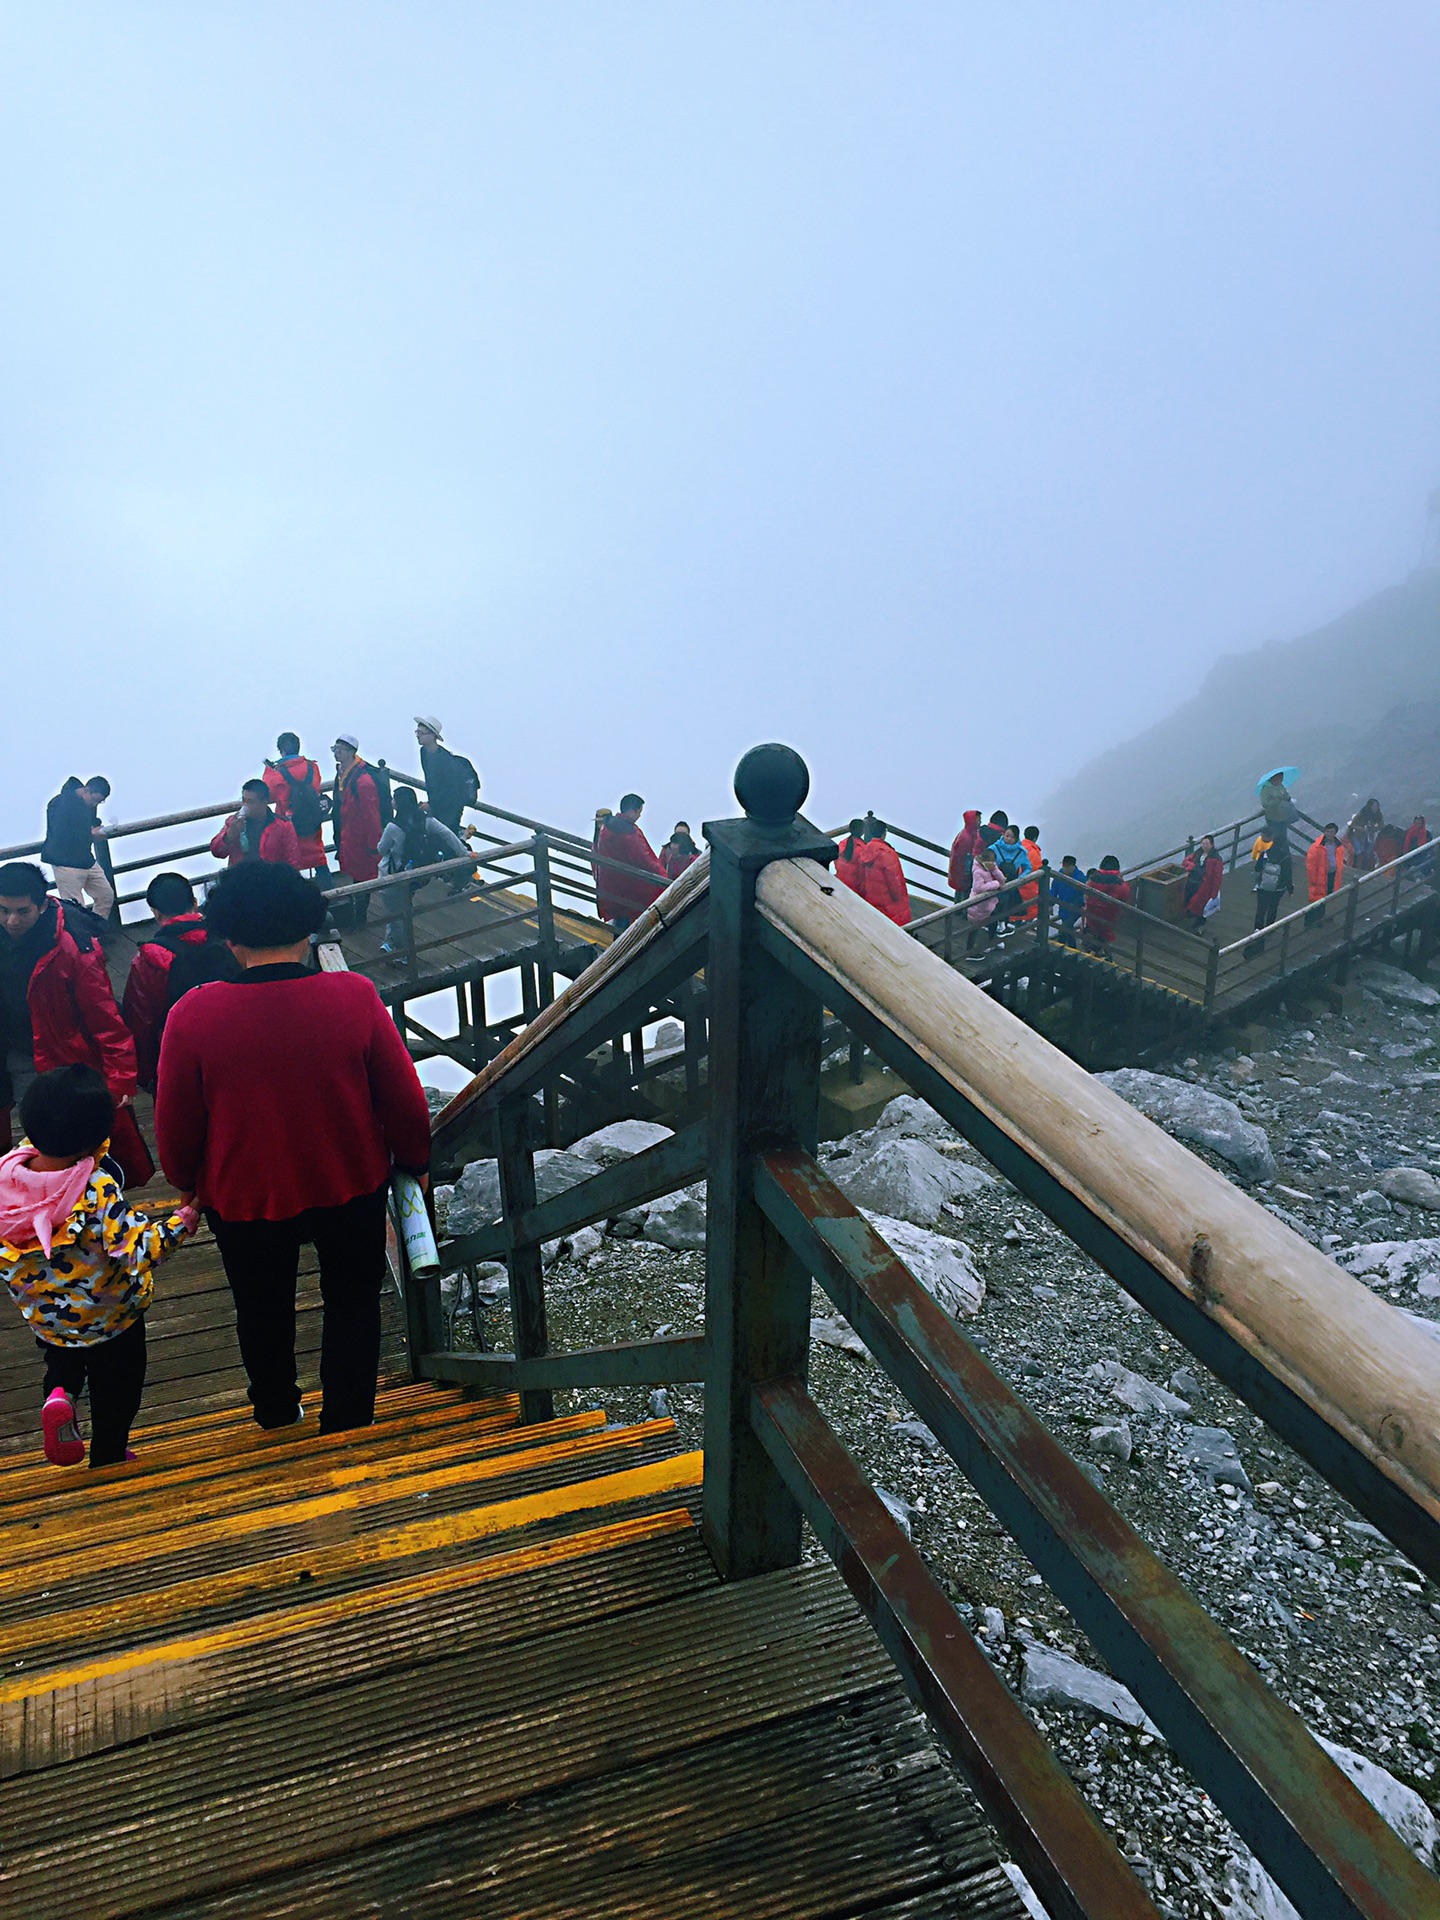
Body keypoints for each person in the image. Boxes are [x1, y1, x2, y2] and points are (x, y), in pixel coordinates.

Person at [155, 862, 432, 1432]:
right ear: (309, 929)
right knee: (353, 1302)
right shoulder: (354, 996)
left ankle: (277, 1411)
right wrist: (415, 1164)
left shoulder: (193, 1014)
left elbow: (176, 1120)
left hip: (243, 1192)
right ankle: (348, 1416)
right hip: (349, 1178)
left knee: (260, 1308)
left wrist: (187, 1181)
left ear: (227, 937)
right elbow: (403, 1099)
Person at [0, 1065, 195, 1467]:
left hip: (47, 1315)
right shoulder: (95, 1189)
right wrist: (182, 1222)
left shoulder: (8, 1175)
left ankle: (60, 1394)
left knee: (63, 1358)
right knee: (118, 1386)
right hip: (112, 1317)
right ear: (96, 1137)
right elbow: (138, 1248)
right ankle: (109, 1453)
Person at [0, 862, 149, 1184]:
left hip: (58, 1057)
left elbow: (104, 1017)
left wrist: (121, 1078)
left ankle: (75, 1204)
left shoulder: (73, 948)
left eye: (21, 912)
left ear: (41, 905)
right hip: (11, 1049)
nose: (11, 920)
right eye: (3, 910)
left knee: (57, 1137)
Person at [122, 873, 240, 1092]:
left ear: (156, 913)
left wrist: (148, 1074)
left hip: (183, 1058)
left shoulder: (150, 959)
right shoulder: (229, 941)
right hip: (236, 1048)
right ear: (195, 903)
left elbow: (141, 1022)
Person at [376, 786, 471, 952]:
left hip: (393, 875)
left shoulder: (393, 827)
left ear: (398, 804)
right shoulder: (425, 820)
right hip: (415, 873)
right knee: (401, 908)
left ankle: (403, 952)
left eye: (394, 799)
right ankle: (389, 943)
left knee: (396, 914)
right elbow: (448, 834)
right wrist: (465, 853)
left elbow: (381, 849)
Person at [42, 776, 115, 923]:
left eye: (99, 802)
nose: (95, 805)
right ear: (86, 790)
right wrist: (90, 835)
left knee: (106, 895)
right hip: (65, 862)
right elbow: (60, 835)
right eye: (95, 800)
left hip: (86, 859)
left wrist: (96, 826)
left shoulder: (88, 804)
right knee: (75, 909)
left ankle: (95, 933)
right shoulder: (59, 804)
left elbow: (87, 822)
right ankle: (82, 942)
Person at [593, 794, 668, 933]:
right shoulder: (629, 832)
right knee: (632, 924)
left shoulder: (605, 830)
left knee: (620, 923)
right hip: (631, 888)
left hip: (611, 886)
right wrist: (663, 877)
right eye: (639, 812)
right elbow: (645, 858)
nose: (639, 816)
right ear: (633, 811)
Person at [263, 734, 329, 873]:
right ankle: (331, 893)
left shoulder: (276, 774)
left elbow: (268, 794)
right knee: (318, 858)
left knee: (290, 861)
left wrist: (269, 771)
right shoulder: (312, 767)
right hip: (312, 821)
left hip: (289, 823)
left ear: (281, 750)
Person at [331, 735, 386, 898]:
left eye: (340, 750)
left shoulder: (363, 781)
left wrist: (374, 844)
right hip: (349, 835)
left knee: (363, 878)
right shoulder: (342, 773)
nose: (336, 753)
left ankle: (361, 915)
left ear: (351, 752)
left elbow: (372, 815)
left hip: (361, 838)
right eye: (335, 749)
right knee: (357, 874)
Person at [210, 781, 303, 868]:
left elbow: (293, 861)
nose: (245, 806)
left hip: (270, 879)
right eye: (243, 800)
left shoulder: (283, 826)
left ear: (264, 802)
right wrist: (229, 835)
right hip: (239, 879)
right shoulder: (233, 822)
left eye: (250, 802)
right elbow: (217, 852)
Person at [414, 717, 480, 835]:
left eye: (421, 733)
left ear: (433, 735)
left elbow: (449, 789)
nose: (418, 735)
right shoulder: (424, 752)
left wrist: (432, 805)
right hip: (438, 806)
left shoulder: (444, 761)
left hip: (450, 808)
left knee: (445, 838)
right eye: (417, 732)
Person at [857, 821, 911, 926]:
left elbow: (861, 876)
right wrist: (899, 898)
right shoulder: (888, 853)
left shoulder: (865, 850)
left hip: (871, 898)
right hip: (888, 903)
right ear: (884, 833)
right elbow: (895, 882)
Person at [1250, 832, 1293, 944]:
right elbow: (1288, 874)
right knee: (1273, 906)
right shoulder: (1286, 857)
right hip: (1278, 888)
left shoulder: (1265, 853)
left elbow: (1258, 867)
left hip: (1263, 886)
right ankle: (1269, 927)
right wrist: (1290, 888)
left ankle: (1258, 928)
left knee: (1261, 908)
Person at [1081, 856, 1131, 953]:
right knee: (1105, 941)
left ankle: (1093, 952)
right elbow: (1126, 897)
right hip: (1109, 921)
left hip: (1092, 919)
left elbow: (1086, 897)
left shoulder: (1091, 881)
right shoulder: (1120, 886)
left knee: (1094, 942)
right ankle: (1104, 955)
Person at [990, 824, 1028, 936]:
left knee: (1007, 907)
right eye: (1007, 835)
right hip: (995, 883)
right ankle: (994, 932)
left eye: (1011, 837)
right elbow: (986, 860)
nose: (1008, 838)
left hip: (1012, 884)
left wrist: (1021, 878)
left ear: (1016, 838)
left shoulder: (1021, 852)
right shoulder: (994, 848)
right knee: (995, 907)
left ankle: (1002, 929)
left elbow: (1027, 867)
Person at [965, 847, 1003, 952]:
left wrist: (995, 870)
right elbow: (979, 888)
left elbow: (1002, 880)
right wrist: (995, 884)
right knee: (975, 927)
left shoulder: (990, 868)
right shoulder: (978, 871)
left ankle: (991, 941)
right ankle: (970, 951)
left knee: (993, 919)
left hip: (988, 903)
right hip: (977, 904)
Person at [1182, 834, 1224, 930]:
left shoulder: (1216, 859)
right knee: (1190, 899)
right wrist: (1194, 867)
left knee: (1201, 905)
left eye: (1206, 844)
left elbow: (1217, 877)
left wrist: (1214, 892)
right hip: (1193, 881)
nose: (1204, 846)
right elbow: (1186, 861)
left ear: (1212, 845)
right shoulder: (1198, 853)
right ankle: (1193, 918)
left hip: (1205, 885)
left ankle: (1200, 924)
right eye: (1203, 843)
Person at [1305, 824, 1346, 920]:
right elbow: (1311, 864)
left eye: (1331, 832)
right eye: (1327, 831)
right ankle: (1312, 919)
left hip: (1332, 874)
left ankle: (1319, 917)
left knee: (1327, 895)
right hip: (1320, 875)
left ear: (1335, 833)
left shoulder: (1338, 845)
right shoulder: (1317, 847)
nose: (1329, 834)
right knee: (1317, 898)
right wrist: (1313, 879)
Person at [1051, 855, 1086, 945]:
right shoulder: (1059, 875)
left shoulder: (1080, 878)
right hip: (1063, 909)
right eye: (1063, 865)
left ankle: (1060, 946)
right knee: (1068, 930)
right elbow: (1054, 890)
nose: (1064, 868)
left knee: (1064, 929)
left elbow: (1083, 896)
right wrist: (1050, 904)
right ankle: (1071, 948)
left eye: (1067, 866)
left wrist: (1075, 905)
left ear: (1073, 866)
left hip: (1075, 909)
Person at [948, 810, 981, 897]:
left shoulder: (964, 833)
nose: (980, 822)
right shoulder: (968, 838)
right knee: (963, 896)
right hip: (963, 874)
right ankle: (960, 910)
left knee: (959, 894)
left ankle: (957, 910)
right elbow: (966, 857)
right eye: (978, 819)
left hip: (959, 874)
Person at [1345, 799, 1382, 875]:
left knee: (1368, 853)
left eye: (1377, 806)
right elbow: (1353, 825)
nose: (1376, 808)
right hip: (1356, 835)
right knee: (1359, 852)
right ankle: (1357, 870)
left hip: (1369, 836)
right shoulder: (1361, 814)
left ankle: (1365, 869)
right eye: (1374, 806)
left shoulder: (1378, 815)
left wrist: (1373, 829)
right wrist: (1361, 829)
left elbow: (1381, 825)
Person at [835, 819, 869, 897]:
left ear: (849, 829)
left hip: (840, 883)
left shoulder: (842, 843)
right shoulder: (863, 848)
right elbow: (863, 872)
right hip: (855, 889)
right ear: (862, 831)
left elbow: (837, 862)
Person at [1017, 825, 1043, 921]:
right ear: (1036, 838)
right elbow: (1036, 871)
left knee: (1015, 911)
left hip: (1015, 885)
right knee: (1028, 912)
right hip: (1028, 888)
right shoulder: (1033, 851)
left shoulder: (1018, 846)